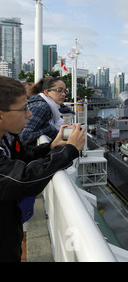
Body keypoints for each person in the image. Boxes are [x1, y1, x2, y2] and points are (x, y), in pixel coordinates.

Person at [0, 75, 85, 262]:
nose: (30, 114)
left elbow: (24, 157)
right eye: (24, 109)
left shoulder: (7, 137)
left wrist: (50, 147)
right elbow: (22, 178)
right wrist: (69, 151)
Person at [19, 77, 68, 146]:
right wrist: (47, 129)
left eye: (65, 91)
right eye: (59, 90)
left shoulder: (43, 104)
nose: (63, 94)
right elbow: (25, 136)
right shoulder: (41, 107)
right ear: (46, 92)